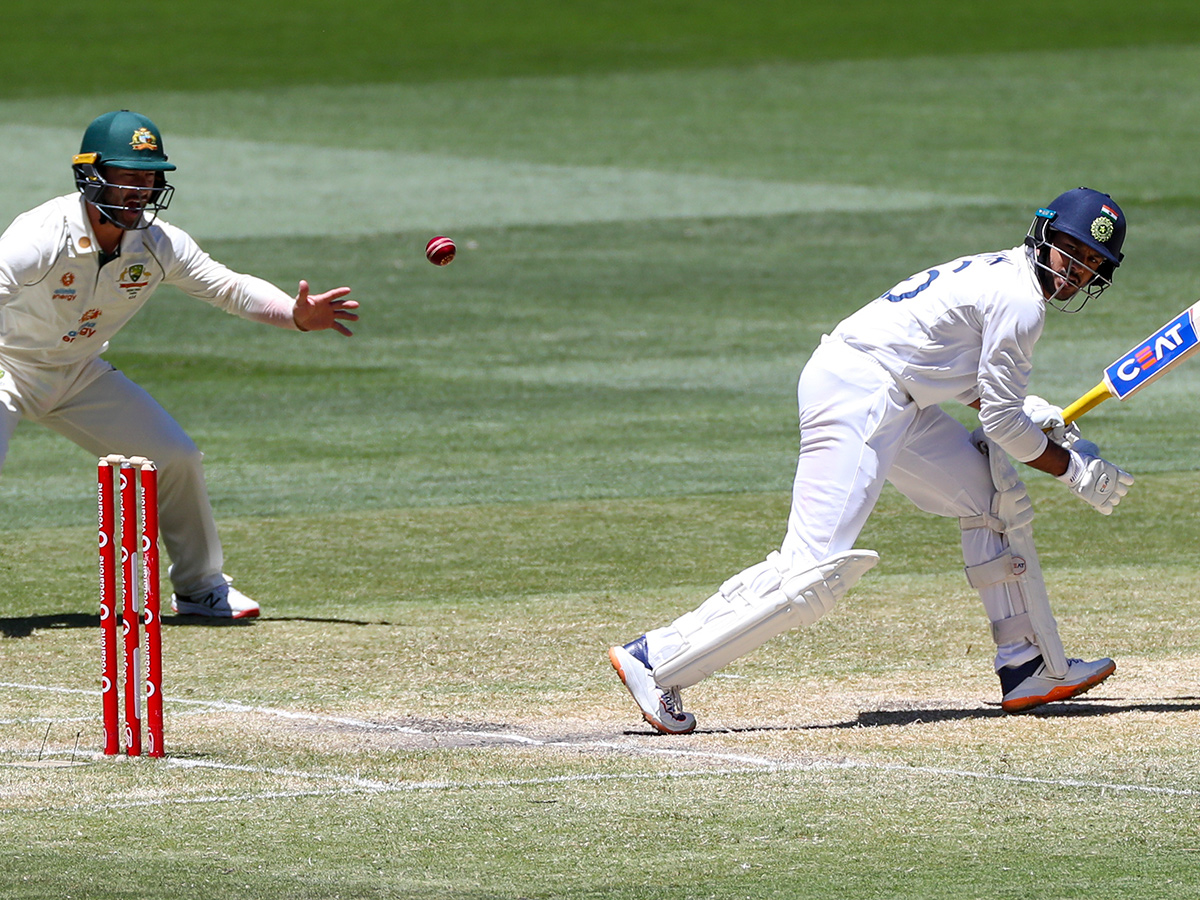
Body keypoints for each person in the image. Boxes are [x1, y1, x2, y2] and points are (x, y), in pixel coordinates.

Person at [609, 187, 1134, 734]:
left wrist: (1031, 413)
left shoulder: (1001, 275)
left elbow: (953, 371)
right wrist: (1075, 470)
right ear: (1045, 233)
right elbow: (1001, 425)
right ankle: (657, 659)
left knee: (989, 501)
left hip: (894, 393)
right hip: (862, 391)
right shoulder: (1022, 301)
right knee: (812, 572)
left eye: (1093, 264)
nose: (1077, 270)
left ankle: (1026, 666)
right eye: (1072, 249)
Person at [0, 110, 360, 618]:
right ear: (91, 175)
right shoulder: (40, 235)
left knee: (175, 457)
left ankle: (200, 588)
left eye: (149, 179)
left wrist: (294, 315)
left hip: (77, 373)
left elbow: (229, 287)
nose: (140, 191)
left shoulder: (157, 244)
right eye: (128, 176)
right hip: (6, 367)